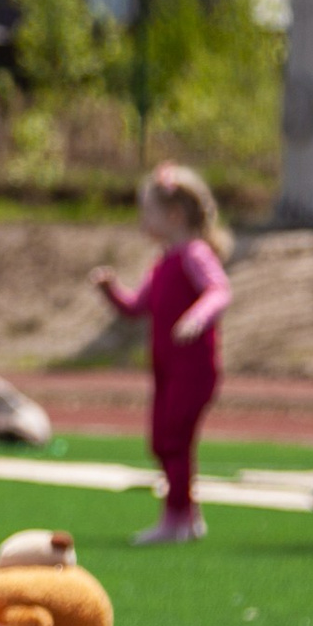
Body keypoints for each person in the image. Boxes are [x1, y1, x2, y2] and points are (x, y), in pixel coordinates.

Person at [94, 161, 232, 545]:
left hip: (193, 368)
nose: (142, 220)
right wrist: (111, 291)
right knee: (165, 440)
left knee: (173, 438)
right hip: (167, 368)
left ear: (173, 214)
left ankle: (175, 520)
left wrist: (197, 317)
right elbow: (137, 306)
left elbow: (219, 291)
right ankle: (188, 515)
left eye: (147, 211)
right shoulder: (162, 263)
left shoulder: (194, 253)